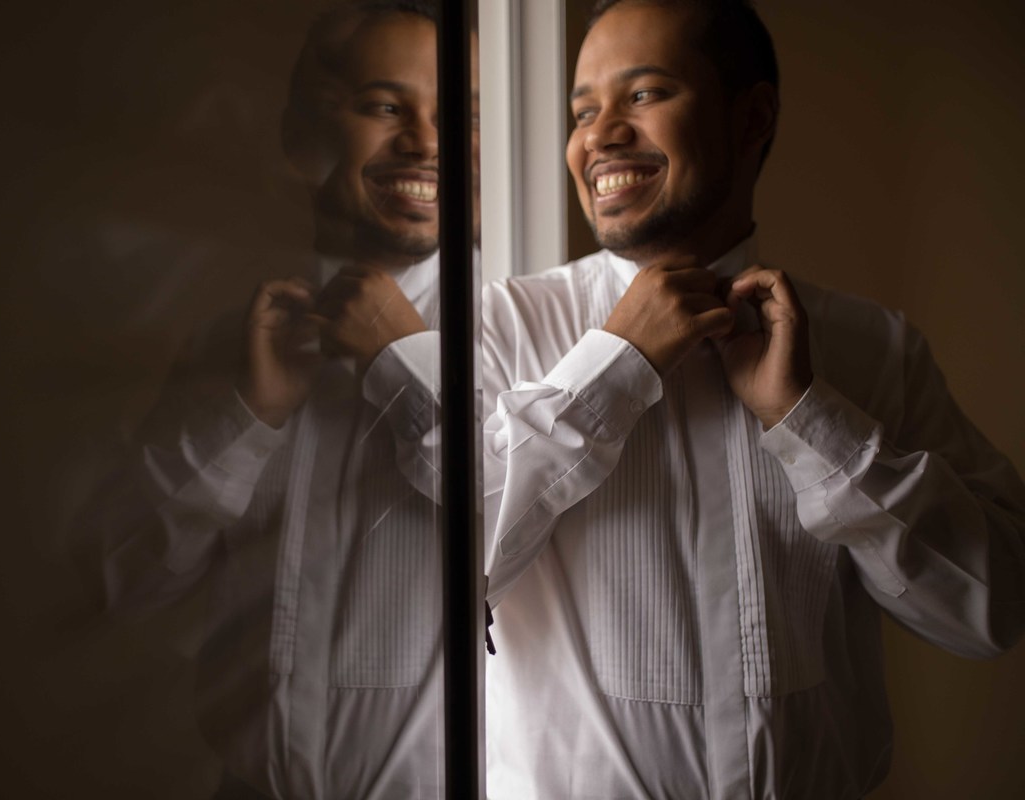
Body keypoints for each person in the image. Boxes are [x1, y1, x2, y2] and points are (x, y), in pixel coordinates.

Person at [480, 1, 1025, 797]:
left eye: (644, 94)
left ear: (752, 116)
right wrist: (614, 368)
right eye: (583, 111)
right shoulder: (499, 326)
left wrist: (811, 423)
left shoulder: (875, 349)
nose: (599, 137)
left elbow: (992, 607)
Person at [72, 2, 458, 797]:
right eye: (386, 107)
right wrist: (245, 415)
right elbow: (121, 579)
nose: (426, 141)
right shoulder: (232, 344)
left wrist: (406, 365)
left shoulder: (525, 336)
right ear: (303, 142)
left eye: (458, 115)